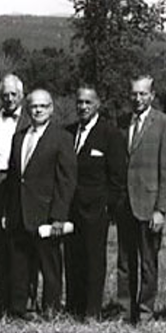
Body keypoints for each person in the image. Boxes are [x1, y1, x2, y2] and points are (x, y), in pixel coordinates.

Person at [3, 89, 76, 319]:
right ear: (27, 109)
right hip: (20, 212)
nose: (38, 110)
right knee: (20, 264)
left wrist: (59, 216)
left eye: (43, 106)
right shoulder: (19, 137)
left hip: (46, 215)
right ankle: (22, 308)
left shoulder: (62, 138)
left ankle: (51, 309)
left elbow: (66, 180)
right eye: (34, 106)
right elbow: (14, 178)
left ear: (51, 109)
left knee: (50, 266)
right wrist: (9, 210)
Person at [117, 75, 166, 324]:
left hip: (149, 204)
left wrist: (161, 209)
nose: (137, 99)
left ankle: (145, 311)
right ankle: (125, 310)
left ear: (152, 95)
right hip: (125, 204)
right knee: (124, 262)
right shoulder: (122, 122)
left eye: (142, 94)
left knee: (148, 263)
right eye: (134, 94)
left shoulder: (164, 123)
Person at [64, 86, 126, 320]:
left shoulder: (110, 134)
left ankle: (92, 310)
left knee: (93, 260)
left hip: (96, 210)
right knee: (72, 258)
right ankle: (73, 306)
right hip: (70, 209)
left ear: (98, 104)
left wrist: (107, 207)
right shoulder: (68, 132)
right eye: (79, 102)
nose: (83, 107)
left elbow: (117, 177)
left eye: (88, 102)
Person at [0, 74, 31, 315]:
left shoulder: (30, 120)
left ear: (21, 95)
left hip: (19, 184)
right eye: (5, 95)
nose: (9, 99)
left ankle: (22, 303)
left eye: (13, 94)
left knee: (20, 246)